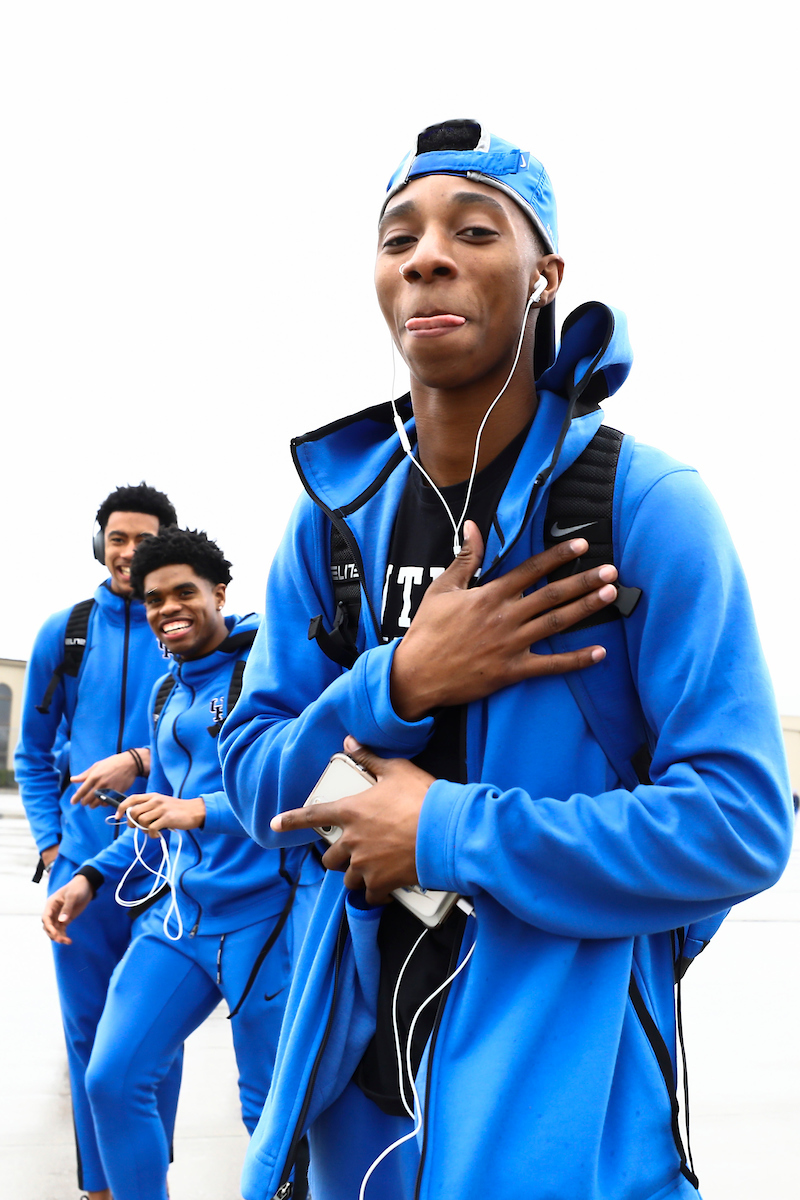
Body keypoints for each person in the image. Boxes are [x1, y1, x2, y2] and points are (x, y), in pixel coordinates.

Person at [219, 120, 794, 1200]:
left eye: (473, 229)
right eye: (399, 237)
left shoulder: (640, 509)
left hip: (556, 1120)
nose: (426, 255)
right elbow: (252, 782)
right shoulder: (331, 529)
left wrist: (439, 829)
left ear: (546, 276)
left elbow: (738, 823)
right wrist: (398, 684)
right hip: (346, 1095)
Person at [42, 527, 323, 1200]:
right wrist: (89, 876)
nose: (169, 608)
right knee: (111, 1077)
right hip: (180, 921)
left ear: (219, 591)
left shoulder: (270, 669)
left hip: (268, 923)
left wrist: (200, 811)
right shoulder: (166, 693)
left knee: (270, 1117)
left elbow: (308, 787)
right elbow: (156, 809)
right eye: (154, 598)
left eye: (184, 592)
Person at [15, 482, 181, 1200]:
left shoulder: (185, 629)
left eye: (144, 540)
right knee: (87, 1034)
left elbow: (201, 742)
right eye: (117, 538)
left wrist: (141, 763)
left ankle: (147, 1175)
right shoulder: (67, 633)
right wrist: (54, 847)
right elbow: (32, 752)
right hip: (80, 870)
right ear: (99, 543)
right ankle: (100, 1186)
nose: (128, 553)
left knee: (154, 1042)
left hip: (164, 867)